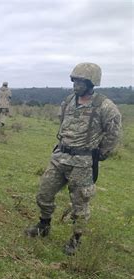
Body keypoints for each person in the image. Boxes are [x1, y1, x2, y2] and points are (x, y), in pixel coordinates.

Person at [25, 63, 122, 255]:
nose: (76, 84)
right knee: (44, 194)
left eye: (81, 81)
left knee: (80, 203)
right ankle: (44, 225)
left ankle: (76, 239)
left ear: (91, 82)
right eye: (74, 80)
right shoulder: (69, 101)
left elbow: (114, 133)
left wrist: (101, 153)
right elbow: (62, 122)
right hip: (60, 156)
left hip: (83, 162)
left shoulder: (104, 106)